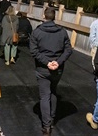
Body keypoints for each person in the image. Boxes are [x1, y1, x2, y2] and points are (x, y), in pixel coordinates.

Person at [30, 7, 73, 136]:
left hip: (43, 68)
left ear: (44, 16)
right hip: (58, 68)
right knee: (53, 91)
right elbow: (68, 49)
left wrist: (47, 62)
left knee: (44, 96)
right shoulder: (62, 32)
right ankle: (52, 119)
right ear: (54, 17)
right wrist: (58, 62)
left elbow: (33, 51)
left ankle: (46, 126)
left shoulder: (37, 32)